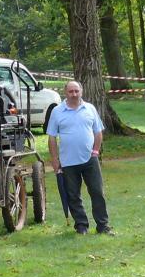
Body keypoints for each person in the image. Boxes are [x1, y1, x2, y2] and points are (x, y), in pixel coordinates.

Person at [47, 80, 111, 234]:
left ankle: (103, 226)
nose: (74, 94)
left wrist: (95, 151)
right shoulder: (57, 111)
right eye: (71, 91)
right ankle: (81, 226)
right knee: (73, 195)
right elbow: (51, 138)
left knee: (97, 192)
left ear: (81, 92)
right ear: (65, 93)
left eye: (76, 91)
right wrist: (55, 160)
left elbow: (98, 132)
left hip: (90, 159)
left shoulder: (90, 108)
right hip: (68, 161)